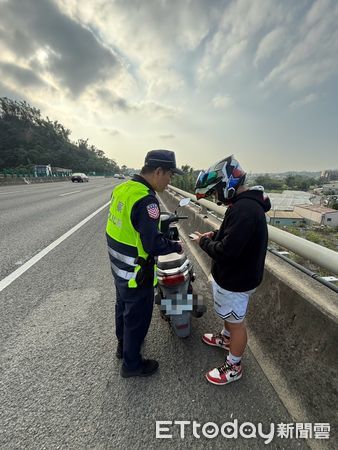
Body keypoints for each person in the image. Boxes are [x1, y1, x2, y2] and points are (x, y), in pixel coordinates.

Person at [192, 155, 271, 385]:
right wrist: (213, 236)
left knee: (237, 324)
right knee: (229, 316)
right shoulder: (243, 205)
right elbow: (231, 234)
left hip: (238, 280)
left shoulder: (245, 210)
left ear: (227, 185)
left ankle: (234, 365)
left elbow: (227, 251)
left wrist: (204, 243)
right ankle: (226, 339)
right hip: (234, 277)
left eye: (216, 192)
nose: (216, 198)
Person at [106, 149, 183, 378]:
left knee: (123, 307)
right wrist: (174, 246)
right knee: (137, 317)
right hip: (136, 272)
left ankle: (123, 347)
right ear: (158, 171)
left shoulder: (123, 189)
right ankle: (132, 365)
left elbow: (128, 227)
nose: (170, 181)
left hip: (119, 268)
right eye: (169, 175)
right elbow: (152, 245)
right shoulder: (147, 201)